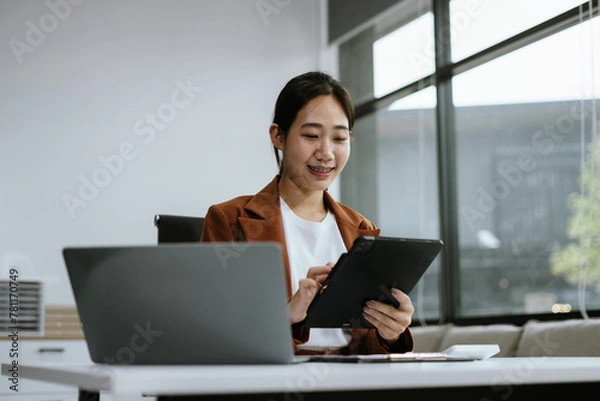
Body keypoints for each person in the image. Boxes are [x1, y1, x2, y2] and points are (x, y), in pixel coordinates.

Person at [200, 71, 414, 355]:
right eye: (311, 135)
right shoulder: (229, 220)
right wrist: (287, 315)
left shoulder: (361, 228)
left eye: (339, 138)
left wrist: (391, 332)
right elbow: (209, 332)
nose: (326, 152)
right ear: (278, 136)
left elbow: (369, 349)